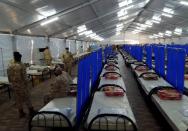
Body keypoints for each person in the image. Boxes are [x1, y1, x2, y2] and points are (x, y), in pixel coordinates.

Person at [7, 52, 36, 118]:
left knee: (18, 99)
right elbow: (24, 77)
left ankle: (21, 112)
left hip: (14, 85)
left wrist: (12, 83)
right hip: (22, 85)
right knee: (27, 98)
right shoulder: (21, 65)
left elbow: (8, 76)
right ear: (19, 58)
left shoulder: (10, 65)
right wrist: (27, 82)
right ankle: (31, 111)